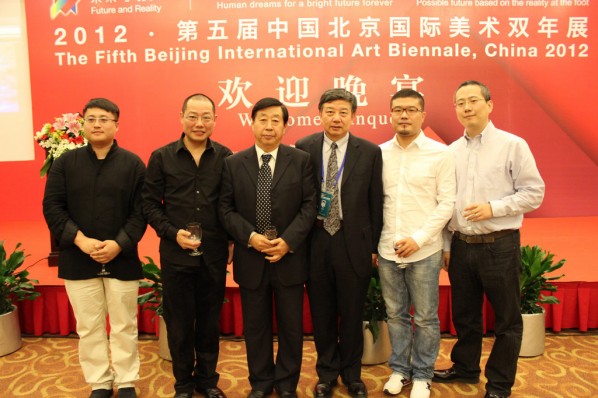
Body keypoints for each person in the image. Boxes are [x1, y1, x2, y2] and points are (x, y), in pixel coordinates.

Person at [433, 81, 545, 398]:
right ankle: (466, 369)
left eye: (473, 101)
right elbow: (443, 202)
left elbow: (534, 193)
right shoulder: (450, 152)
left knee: (507, 320)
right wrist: (445, 245)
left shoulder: (513, 145)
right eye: (460, 103)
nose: (466, 107)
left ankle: (499, 384)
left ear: (489, 105)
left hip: (499, 244)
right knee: (465, 316)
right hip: (461, 246)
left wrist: (493, 208)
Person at [43, 98, 146, 398]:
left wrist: (119, 243)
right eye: (91, 119)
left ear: (117, 124)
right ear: (83, 124)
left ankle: (126, 380)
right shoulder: (65, 163)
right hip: (78, 257)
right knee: (88, 326)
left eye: (104, 119)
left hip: (121, 256)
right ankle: (100, 381)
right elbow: (52, 207)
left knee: (124, 324)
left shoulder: (133, 164)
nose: (97, 124)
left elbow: (142, 211)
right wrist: (80, 240)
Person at [219, 97, 317, 398]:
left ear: (286, 126)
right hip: (251, 258)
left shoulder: (300, 160)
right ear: (252, 123)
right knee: (256, 328)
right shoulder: (233, 163)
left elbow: (309, 206)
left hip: (289, 257)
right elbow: (225, 208)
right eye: (263, 119)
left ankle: (287, 384)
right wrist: (250, 237)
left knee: (291, 328)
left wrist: (287, 242)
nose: (269, 126)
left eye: (276, 120)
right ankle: (260, 383)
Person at [142, 93, 232, 398]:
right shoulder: (162, 157)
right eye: (193, 116)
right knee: (179, 325)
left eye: (206, 117)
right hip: (175, 255)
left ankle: (207, 381)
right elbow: (150, 205)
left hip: (213, 255)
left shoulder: (226, 156)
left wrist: (230, 240)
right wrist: (171, 232)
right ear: (181, 118)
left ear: (215, 121)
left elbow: (228, 205)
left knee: (208, 322)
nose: (199, 123)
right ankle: (182, 384)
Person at [295, 88, 383, 398]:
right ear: (319, 113)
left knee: (351, 312)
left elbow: (376, 203)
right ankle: (326, 374)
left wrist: (373, 246)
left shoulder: (370, 152)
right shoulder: (303, 148)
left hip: (353, 243)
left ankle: (353, 375)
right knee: (322, 313)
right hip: (316, 241)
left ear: (353, 116)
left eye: (343, 112)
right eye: (330, 111)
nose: (336, 117)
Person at [377, 89, 456, 398]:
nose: (404, 115)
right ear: (391, 114)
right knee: (395, 314)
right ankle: (400, 370)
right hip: (387, 249)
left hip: (425, 249)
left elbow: (446, 203)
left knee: (424, 316)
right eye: (398, 110)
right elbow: (375, 202)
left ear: (423, 115)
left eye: (411, 110)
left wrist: (419, 239)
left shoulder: (440, 153)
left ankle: (423, 374)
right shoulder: (379, 153)